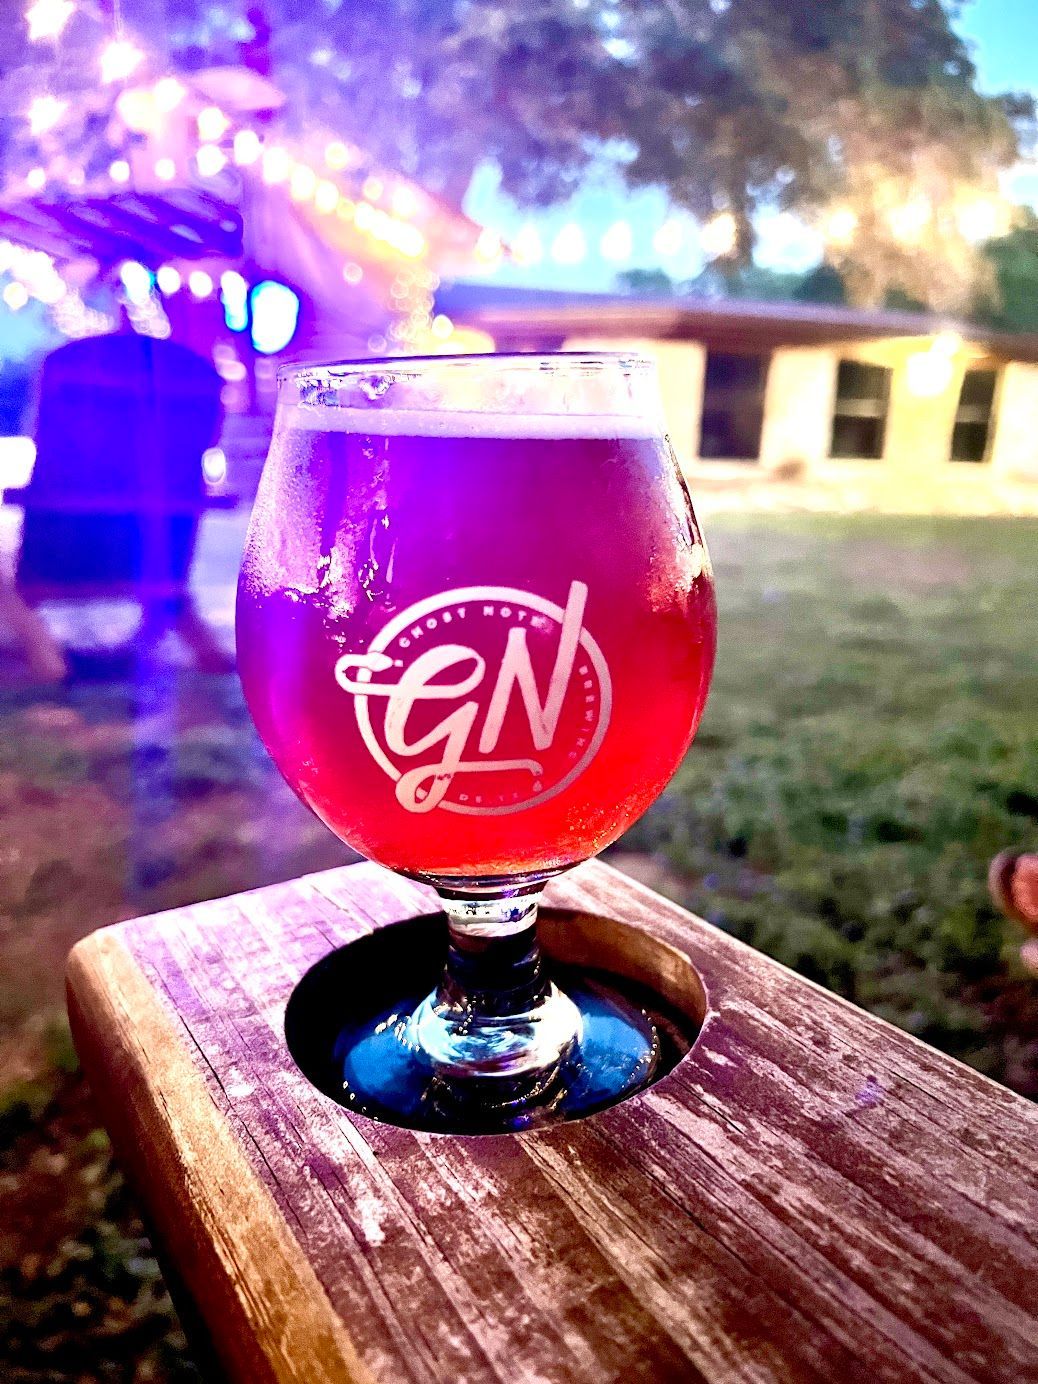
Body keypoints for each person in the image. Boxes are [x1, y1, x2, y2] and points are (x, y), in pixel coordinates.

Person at [13, 315, 232, 675]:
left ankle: (44, 654)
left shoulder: (69, 387)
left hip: (61, 549)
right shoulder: (186, 389)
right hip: (158, 552)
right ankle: (181, 637)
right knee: (166, 586)